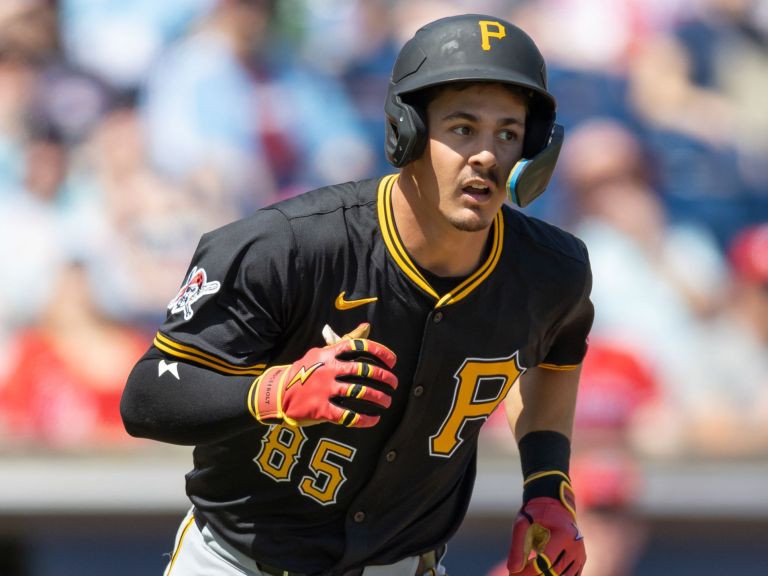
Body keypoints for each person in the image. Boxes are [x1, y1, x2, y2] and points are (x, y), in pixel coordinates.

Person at [121, 13, 594, 576]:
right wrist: (274, 392)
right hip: (240, 562)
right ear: (407, 130)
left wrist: (547, 484)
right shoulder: (286, 246)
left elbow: (557, 351)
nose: (487, 155)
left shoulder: (551, 272)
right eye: (463, 129)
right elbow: (148, 398)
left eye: (509, 134)